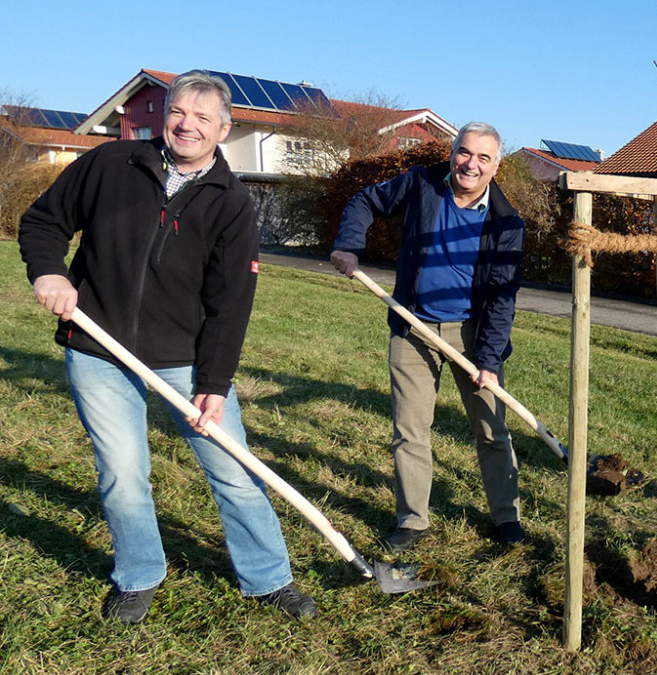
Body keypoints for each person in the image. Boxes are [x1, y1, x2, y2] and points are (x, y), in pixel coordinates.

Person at [18, 70, 316, 624]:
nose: (188, 125)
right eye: (179, 112)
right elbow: (42, 222)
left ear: (224, 130)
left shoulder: (232, 202)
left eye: (204, 118)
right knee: (123, 472)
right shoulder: (111, 165)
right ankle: (138, 575)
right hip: (97, 347)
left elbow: (231, 304)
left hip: (183, 360)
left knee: (234, 467)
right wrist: (48, 274)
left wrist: (214, 386)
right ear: (164, 116)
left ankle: (268, 578)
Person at [330, 121, 526, 553]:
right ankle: (413, 521)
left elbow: (501, 298)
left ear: (496, 167)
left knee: (492, 430)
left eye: (483, 158)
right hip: (412, 325)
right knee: (410, 429)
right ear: (453, 152)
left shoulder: (506, 222)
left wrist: (489, 362)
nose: (470, 164)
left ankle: (506, 517)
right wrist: (349, 243)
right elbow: (366, 200)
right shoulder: (422, 184)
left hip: (472, 334)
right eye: (464, 152)